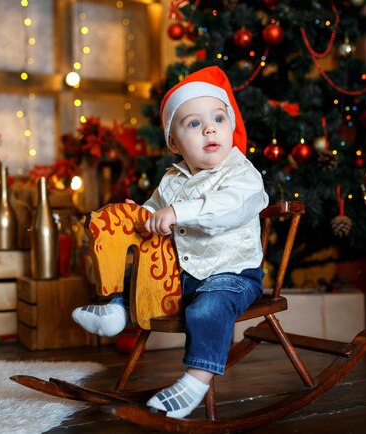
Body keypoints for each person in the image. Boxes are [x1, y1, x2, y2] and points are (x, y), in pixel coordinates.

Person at [72, 66, 269, 419]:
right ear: (174, 143)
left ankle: (195, 380)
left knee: (207, 309)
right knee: (136, 279)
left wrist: (179, 211)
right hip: (181, 274)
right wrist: (139, 215)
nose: (209, 128)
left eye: (219, 119)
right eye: (194, 123)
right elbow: (153, 212)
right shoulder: (172, 180)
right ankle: (117, 310)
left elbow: (228, 209)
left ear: (230, 127)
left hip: (232, 274)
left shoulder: (242, 174)